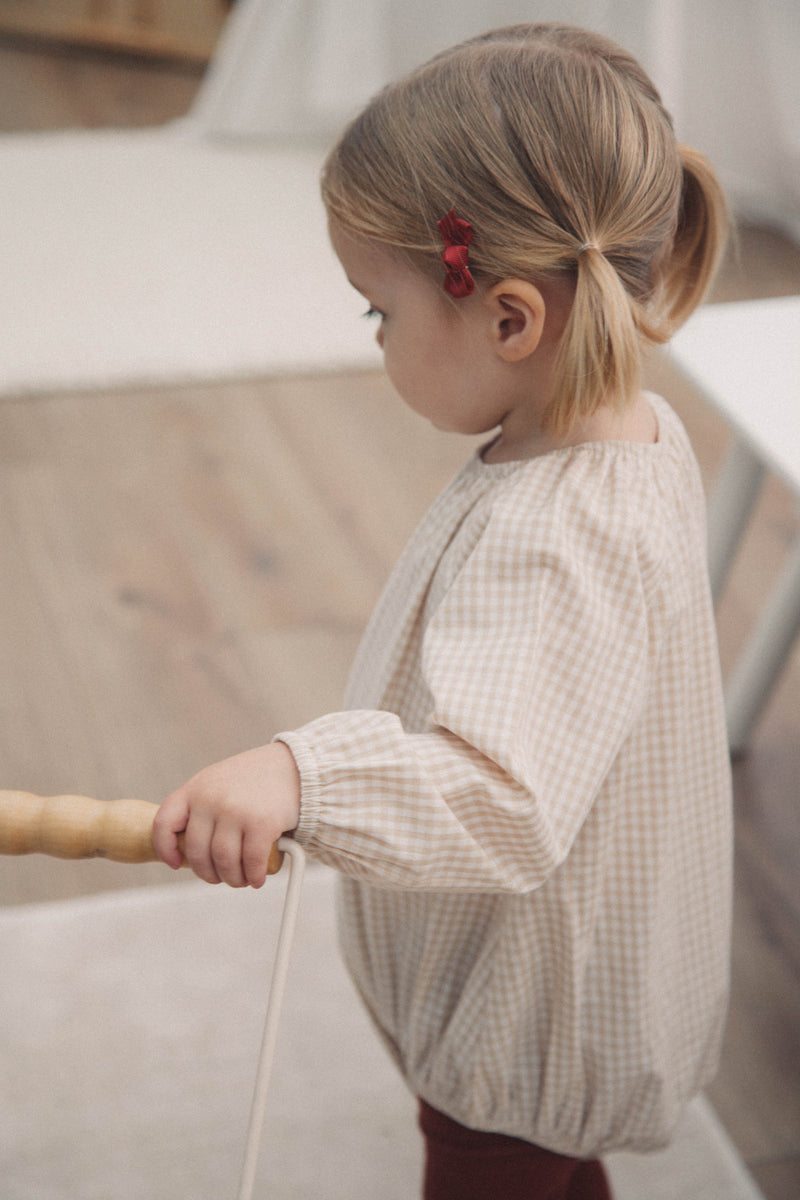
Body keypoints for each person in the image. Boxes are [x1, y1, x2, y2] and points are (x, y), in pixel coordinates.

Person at [153, 23, 733, 1199]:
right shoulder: (625, 434)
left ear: (510, 318)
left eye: (378, 310)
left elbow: (501, 797)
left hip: (527, 1010)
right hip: (548, 966)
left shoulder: (562, 537)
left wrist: (302, 774)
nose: (372, 336)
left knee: (506, 1169)